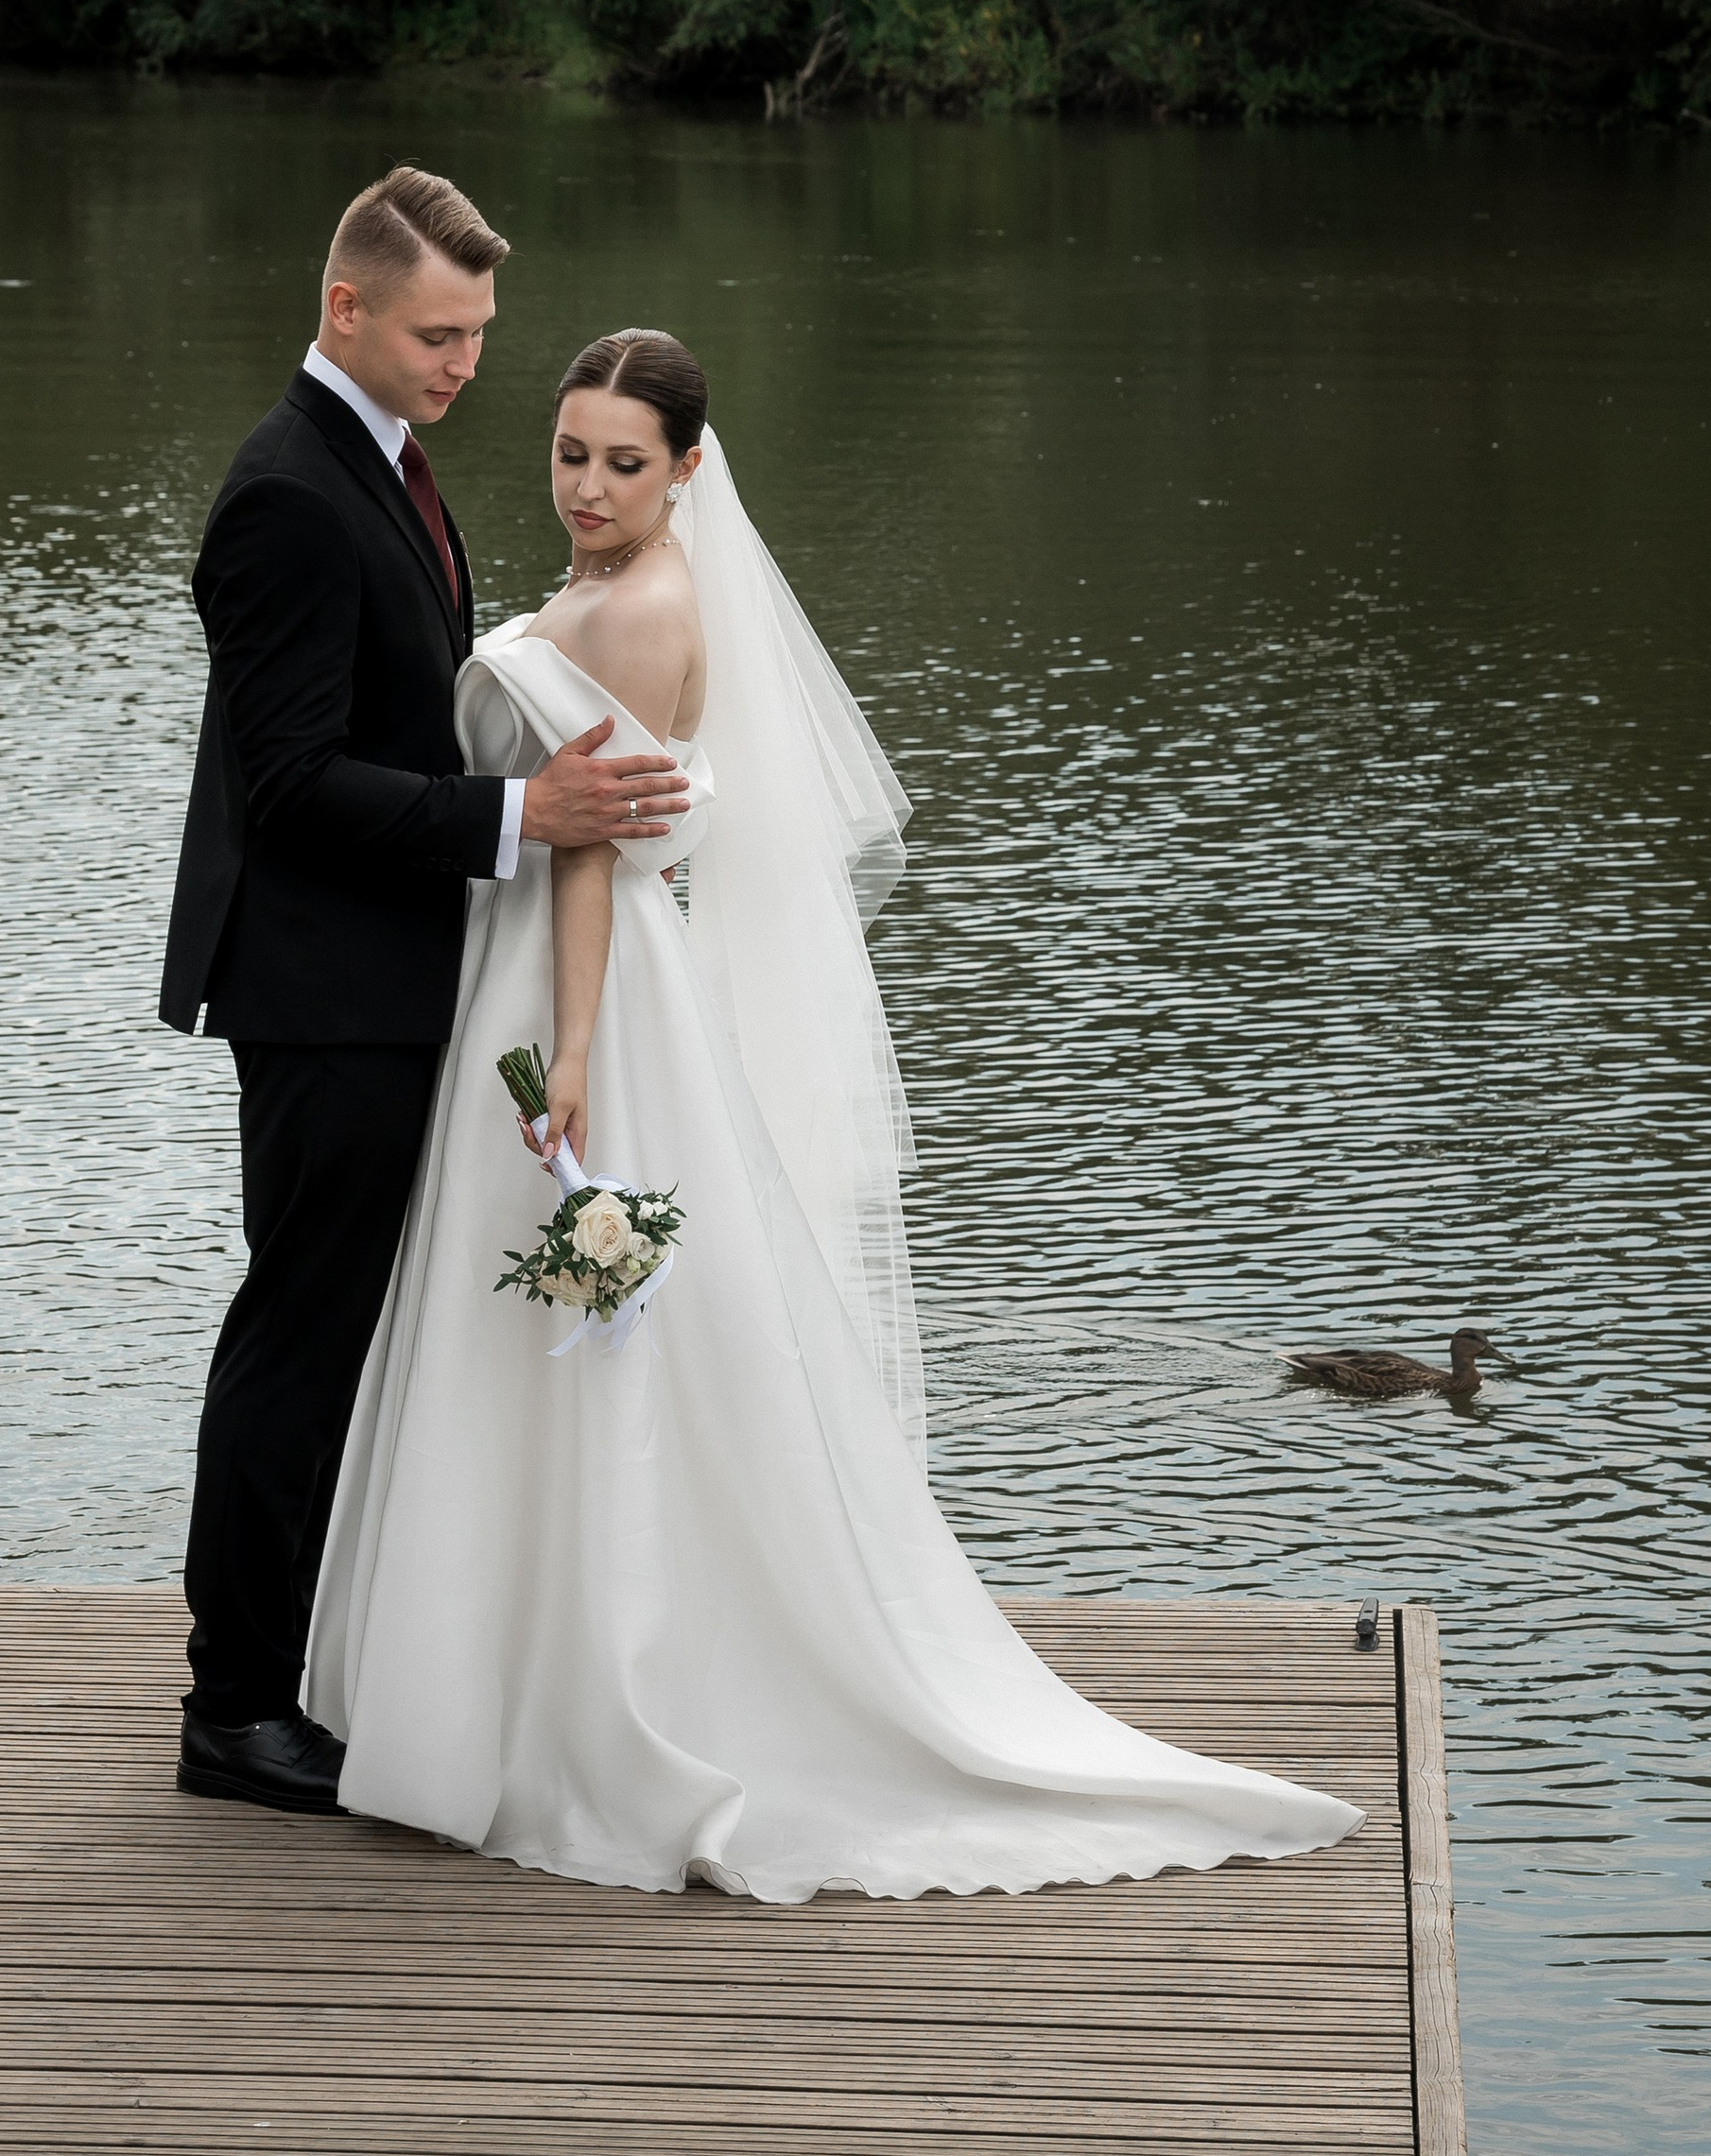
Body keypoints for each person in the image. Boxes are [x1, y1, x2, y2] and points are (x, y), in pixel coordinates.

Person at [308, 327, 1364, 1899]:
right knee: (546, 1324)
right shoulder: (607, 592)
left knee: (604, 1319)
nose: (588, 487)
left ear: (686, 472)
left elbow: (595, 854)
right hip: (526, 970)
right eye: (570, 452)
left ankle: (586, 1699)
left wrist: (576, 1050)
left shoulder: (650, 613)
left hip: (579, 992)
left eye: (624, 463)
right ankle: (493, 1692)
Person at [161, 171, 692, 1816]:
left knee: (340, 1329)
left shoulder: (384, 462)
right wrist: (519, 816)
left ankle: (304, 1661)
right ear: (347, 313)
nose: (464, 364)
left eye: (476, 336)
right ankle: (235, 1704)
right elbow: (295, 782)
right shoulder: (285, 496)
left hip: (393, 972)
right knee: (298, 1332)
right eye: (437, 332)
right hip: (319, 990)